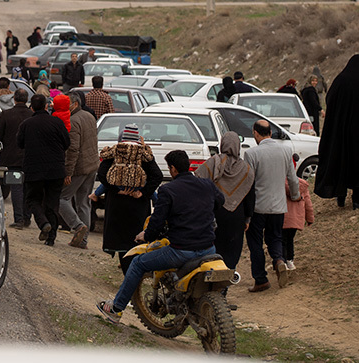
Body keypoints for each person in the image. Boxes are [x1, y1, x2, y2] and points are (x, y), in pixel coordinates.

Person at [97, 150, 222, 324]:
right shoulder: (207, 184)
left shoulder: (168, 190)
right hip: (209, 248)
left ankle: (116, 309)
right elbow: (220, 201)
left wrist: (146, 235)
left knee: (138, 263)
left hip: (181, 250)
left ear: (173, 169)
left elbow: (157, 221)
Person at [314, 54, 359, 209]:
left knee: (341, 162)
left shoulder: (341, 80)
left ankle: (341, 197)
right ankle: (356, 199)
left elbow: (329, 99)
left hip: (341, 132)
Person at [97, 124, 163, 274]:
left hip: (117, 204)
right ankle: (135, 272)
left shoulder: (114, 151)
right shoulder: (143, 154)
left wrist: (116, 189)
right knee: (136, 237)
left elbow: (101, 173)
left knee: (121, 240)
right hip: (138, 205)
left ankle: (127, 272)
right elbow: (157, 176)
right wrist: (142, 193)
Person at [244, 119, 299, 292]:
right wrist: (295, 196)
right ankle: (279, 260)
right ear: (270, 132)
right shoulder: (285, 150)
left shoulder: (251, 154)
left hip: (258, 207)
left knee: (255, 243)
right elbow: (292, 179)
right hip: (278, 206)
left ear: (255, 133)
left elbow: (248, 183)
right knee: (275, 237)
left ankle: (261, 279)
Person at [194, 131, 255, 277]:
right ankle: (226, 279)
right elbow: (250, 196)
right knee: (232, 249)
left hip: (213, 214)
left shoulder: (212, 163)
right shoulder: (246, 169)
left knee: (213, 248)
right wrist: (248, 218)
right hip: (236, 215)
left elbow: (198, 184)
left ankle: (211, 277)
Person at [17, 94, 71, 246]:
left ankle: (43, 223)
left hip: (34, 170)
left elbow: (20, 144)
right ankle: (51, 237)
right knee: (52, 203)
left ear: (32, 108)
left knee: (32, 199)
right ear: (46, 106)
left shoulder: (26, 124)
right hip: (55, 170)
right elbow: (67, 143)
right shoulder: (57, 123)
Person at [60, 92, 99, 249]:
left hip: (79, 167)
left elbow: (73, 149)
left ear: (75, 104)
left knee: (62, 199)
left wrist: (68, 172)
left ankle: (77, 226)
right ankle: (83, 240)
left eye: (67, 103)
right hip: (91, 165)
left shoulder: (73, 121)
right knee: (84, 203)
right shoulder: (89, 116)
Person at [0, 88, 32, 228]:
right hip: (30, 158)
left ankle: (19, 219)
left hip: (12, 158)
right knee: (27, 188)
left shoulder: (6, 114)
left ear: (14, 99)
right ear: (26, 99)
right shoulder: (32, 115)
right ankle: (27, 217)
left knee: (16, 188)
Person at [283, 154, 314, 271]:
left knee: (281, 240)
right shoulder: (302, 185)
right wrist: (310, 218)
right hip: (295, 220)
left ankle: (282, 261)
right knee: (290, 240)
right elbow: (308, 205)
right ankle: (290, 261)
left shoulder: (279, 184)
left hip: (282, 218)